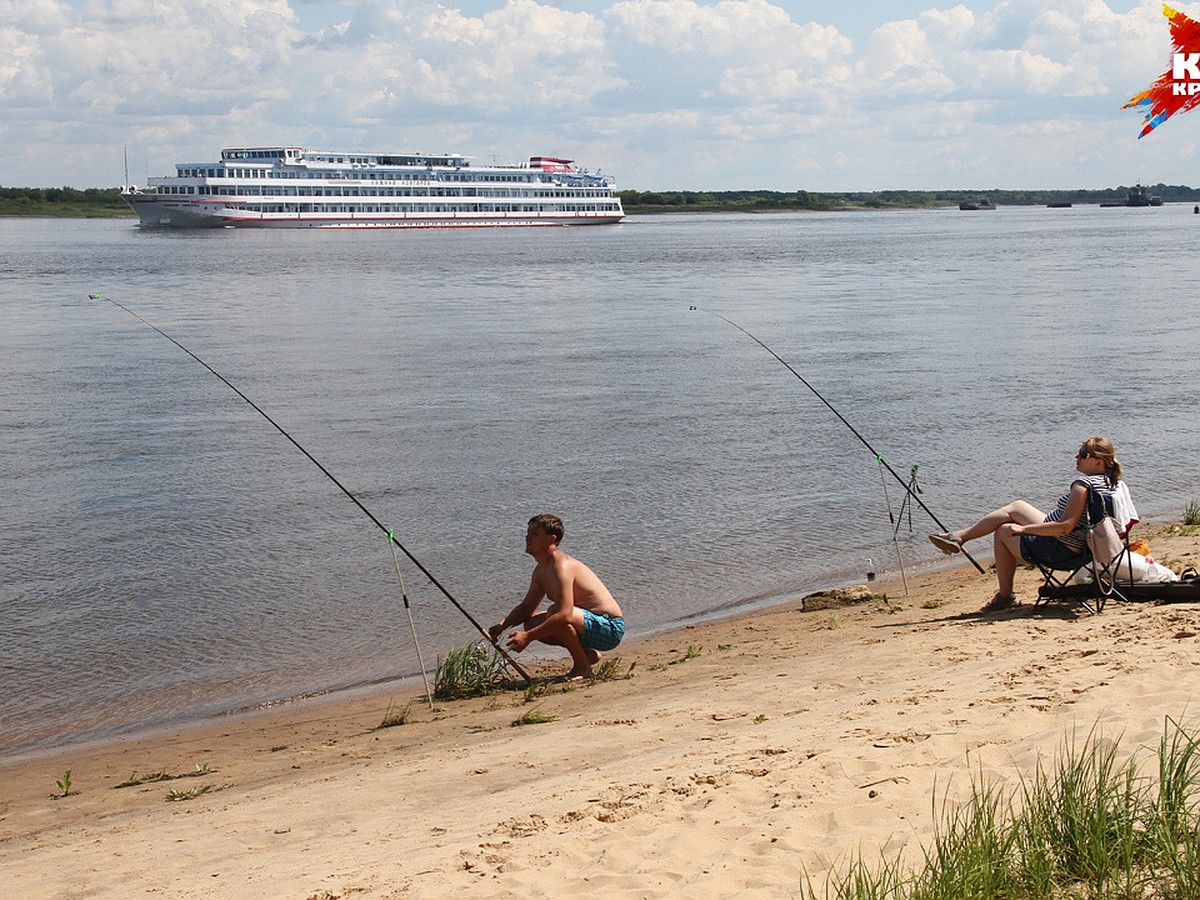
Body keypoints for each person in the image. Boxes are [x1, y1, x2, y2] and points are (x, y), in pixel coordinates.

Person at [928, 437, 1124, 613]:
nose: (1077, 456)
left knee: (1004, 531)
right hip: (1088, 547)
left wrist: (1023, 529)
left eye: (1083, 454)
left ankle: (1005, 596)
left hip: (1062, 549)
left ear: (1099, 461)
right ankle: (959, 537)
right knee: (1017, 507)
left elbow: (1065, 526)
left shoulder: (1083, 485)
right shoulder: (1113, 484)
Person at [489, 514, 625, 680]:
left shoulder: (561, 566)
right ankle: (586, 655)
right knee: (531, 623)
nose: (527, 537)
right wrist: (503, 625)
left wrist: (528, 637)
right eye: (527, 532)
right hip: (586, 624)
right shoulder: (541, 570)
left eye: (535, 534)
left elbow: (564, 615)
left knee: (556, 613)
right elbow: (526, 608)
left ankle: (583, 668)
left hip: (609, 628)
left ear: (550, 540)